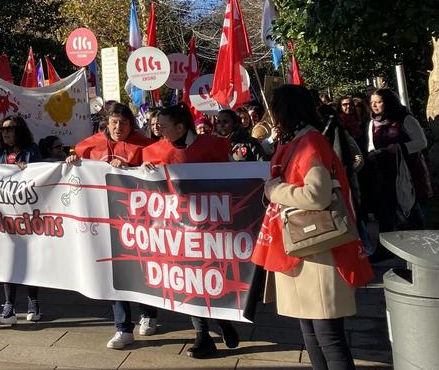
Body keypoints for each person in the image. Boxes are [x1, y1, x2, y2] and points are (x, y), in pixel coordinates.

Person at [251, 85, 373, 370]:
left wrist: (275, 190)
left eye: (275, 108)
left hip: (318, 249)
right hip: (302, 247)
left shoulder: (310, 142)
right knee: (312, 335)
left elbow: (316, 195)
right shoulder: (296, 139)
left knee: (327, 336)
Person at [141, 105, 239, 358]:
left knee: (211, 279)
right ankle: (202, 336)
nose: (157, 130)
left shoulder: (213, 146)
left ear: (181, 127)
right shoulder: (153, 151)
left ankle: (224, 321)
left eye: (162, 126)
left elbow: (234, 179)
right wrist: (144, 173)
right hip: (176, 230)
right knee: (186, 280)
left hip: (210, 227)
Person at [67, 102, 154, 349]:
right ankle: (123, 328)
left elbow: (155, 174)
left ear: (131, 124)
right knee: (115, 273)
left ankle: (148, 312)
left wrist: (132, 169)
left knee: (141, 269)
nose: (118, 128)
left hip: (138, 219)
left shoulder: (144, 145)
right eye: (114, 122)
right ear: (107, 122)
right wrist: (72, 159)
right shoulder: (89, 145)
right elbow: (74, 172)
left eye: (123, 123)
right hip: (104, 218)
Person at [0, 116, 43, 325]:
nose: (6, 133)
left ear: (19, 130)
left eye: (10, 129)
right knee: (7, 260)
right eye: (3, 129)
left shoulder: (32, 151)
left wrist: (28, 170)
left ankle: (33, 301)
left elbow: (40, 178)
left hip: (26, 215)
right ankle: (9, 307)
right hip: (4, 217)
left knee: (28, 260)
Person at [364, 89, 430, 239]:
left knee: (411, 206)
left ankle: (422, 241)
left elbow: (422, 142)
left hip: (406, 171)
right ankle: (386, 247)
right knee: (385, 210)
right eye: (372, 102)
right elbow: (371, 145)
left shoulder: (405, 119)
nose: (375, 106)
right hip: (384, 173)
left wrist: (400, 147)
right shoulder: (373, 123)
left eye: (379, 102)